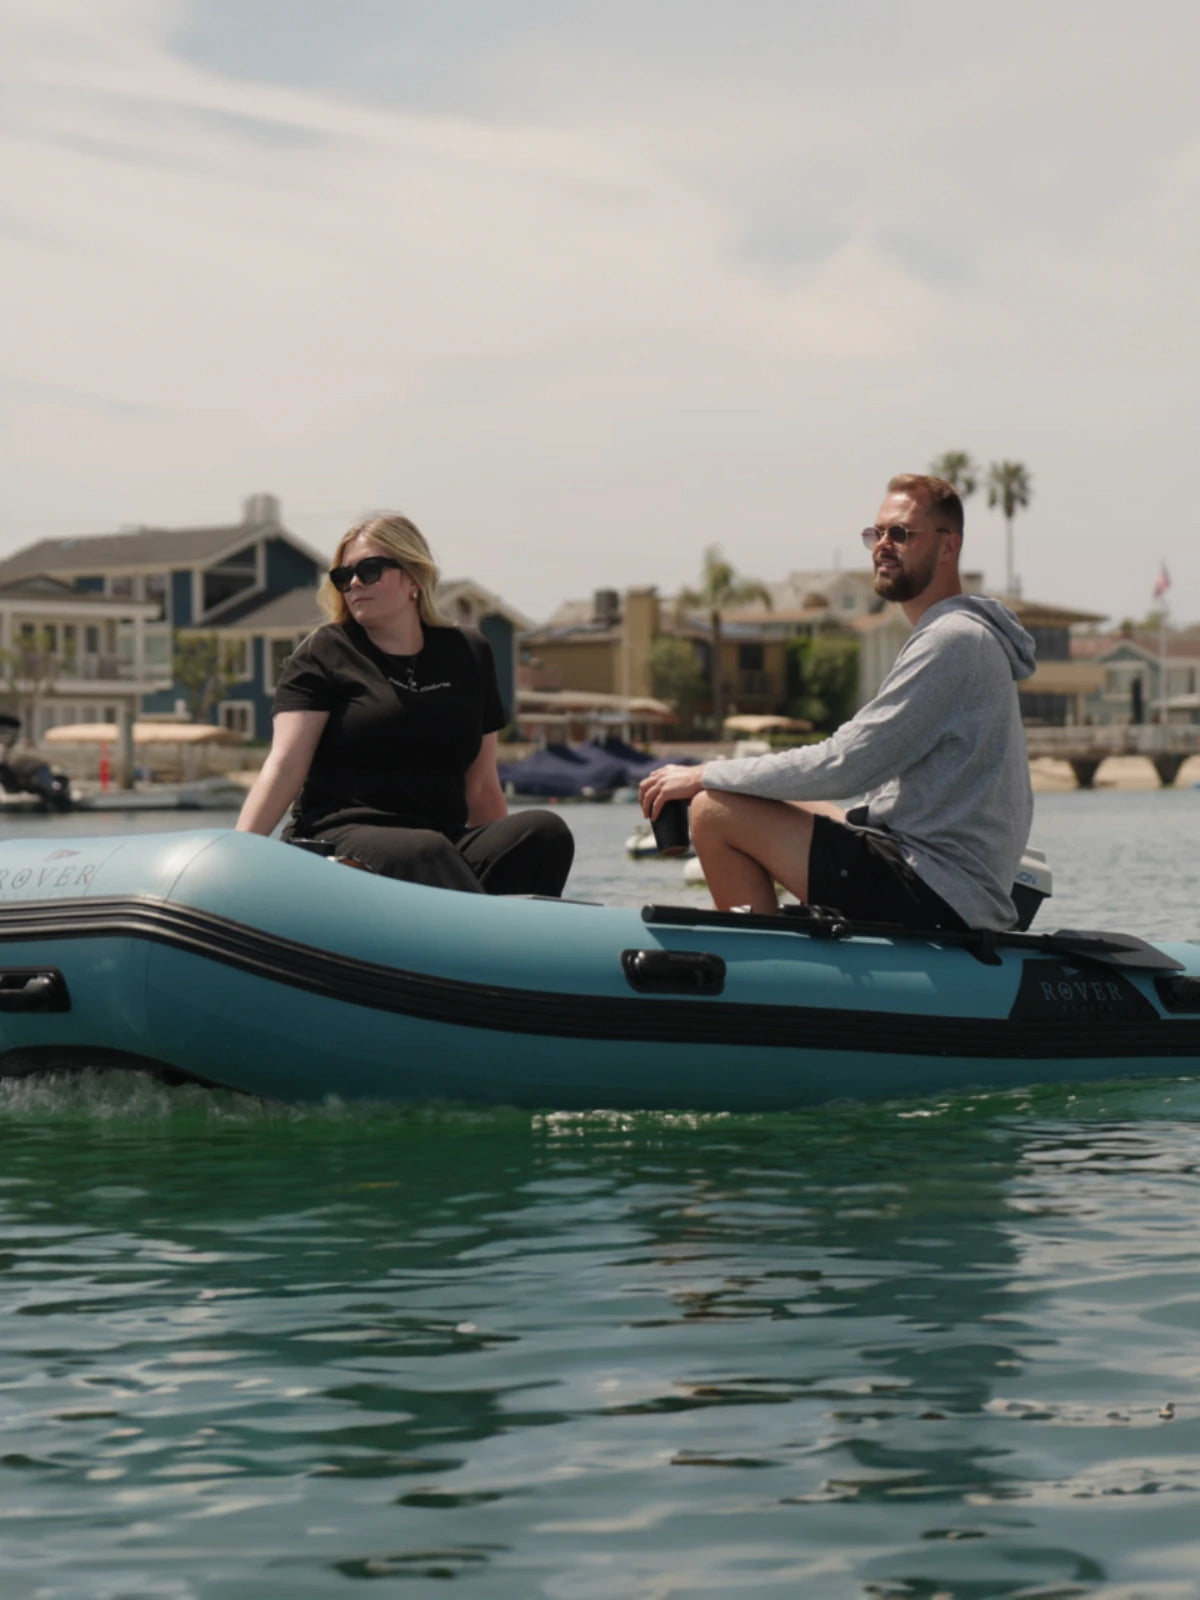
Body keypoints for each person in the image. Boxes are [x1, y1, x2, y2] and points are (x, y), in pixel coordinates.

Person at [639, 473, 1037, 931]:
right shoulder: (958, 636)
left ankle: (759, 976)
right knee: (755, 799)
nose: (883, 545)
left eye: (901, 534)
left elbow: (847, 764)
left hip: (939, 891)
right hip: (939, 875)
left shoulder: (954, 640)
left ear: (949, 547)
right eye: (877, 533)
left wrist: (703, 774)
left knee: (713, 811)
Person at [236, 512, 574, 896]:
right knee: (420, 848)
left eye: (370, 569)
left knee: (544, 831)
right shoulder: (324, 652)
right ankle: (485, 938)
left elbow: (481, 786)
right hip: (338, 836)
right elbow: (284, 766)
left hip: (439, 844)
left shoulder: (469, 652)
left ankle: (507, 938)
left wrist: (500, 850)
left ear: (414, 576)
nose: (355, 584)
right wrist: (237, 854)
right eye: (343, 577)